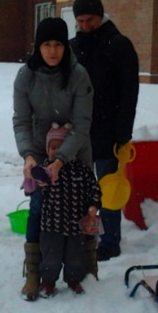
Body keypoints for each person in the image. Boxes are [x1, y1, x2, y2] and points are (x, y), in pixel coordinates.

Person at [12, 17, 94, 301]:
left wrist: (60, 161)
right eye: (46, 44)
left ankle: (85, 266)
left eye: (58, 44)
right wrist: (29, 156)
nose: (53, 50)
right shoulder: (26, 76)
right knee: (38, 210)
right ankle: (35, 273)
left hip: (76, 152)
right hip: (39, 154)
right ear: (38, 46)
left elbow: (82, 125)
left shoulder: (78, 75)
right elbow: (21, 121)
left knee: (81, 209)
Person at [69, 0, 139, 261]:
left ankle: (110, 241)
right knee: (79, 187)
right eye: (80, 21)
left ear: (101, 15)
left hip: (110, 132)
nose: (85, 25)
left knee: (107, 188)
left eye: (90, 20)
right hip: (79, 131)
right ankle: (83, 234)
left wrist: (123, 134)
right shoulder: (73, 46)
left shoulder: (119, 45)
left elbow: (128, 94)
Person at [38, 123, 102, 298]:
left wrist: (93, 205)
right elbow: (36, 184)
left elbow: (94, 189)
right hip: (52, 224)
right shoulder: (46, 171)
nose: (56, 152)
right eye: (52, 147)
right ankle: (48, 282)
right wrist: (37, 180)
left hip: (76, 224)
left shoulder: (82, 171)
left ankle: (74, 280)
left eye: (61, 148)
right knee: (51, 256)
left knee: (75, 257)